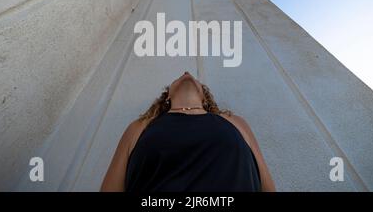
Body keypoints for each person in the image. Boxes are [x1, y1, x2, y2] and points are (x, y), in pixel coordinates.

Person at [101, 71, 276, 192]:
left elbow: (267, 185)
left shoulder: (235, 122)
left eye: (196, 80)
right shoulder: (140, 127)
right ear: (167, 96)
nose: (186, 72)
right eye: (178, 77)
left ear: (204, 97)